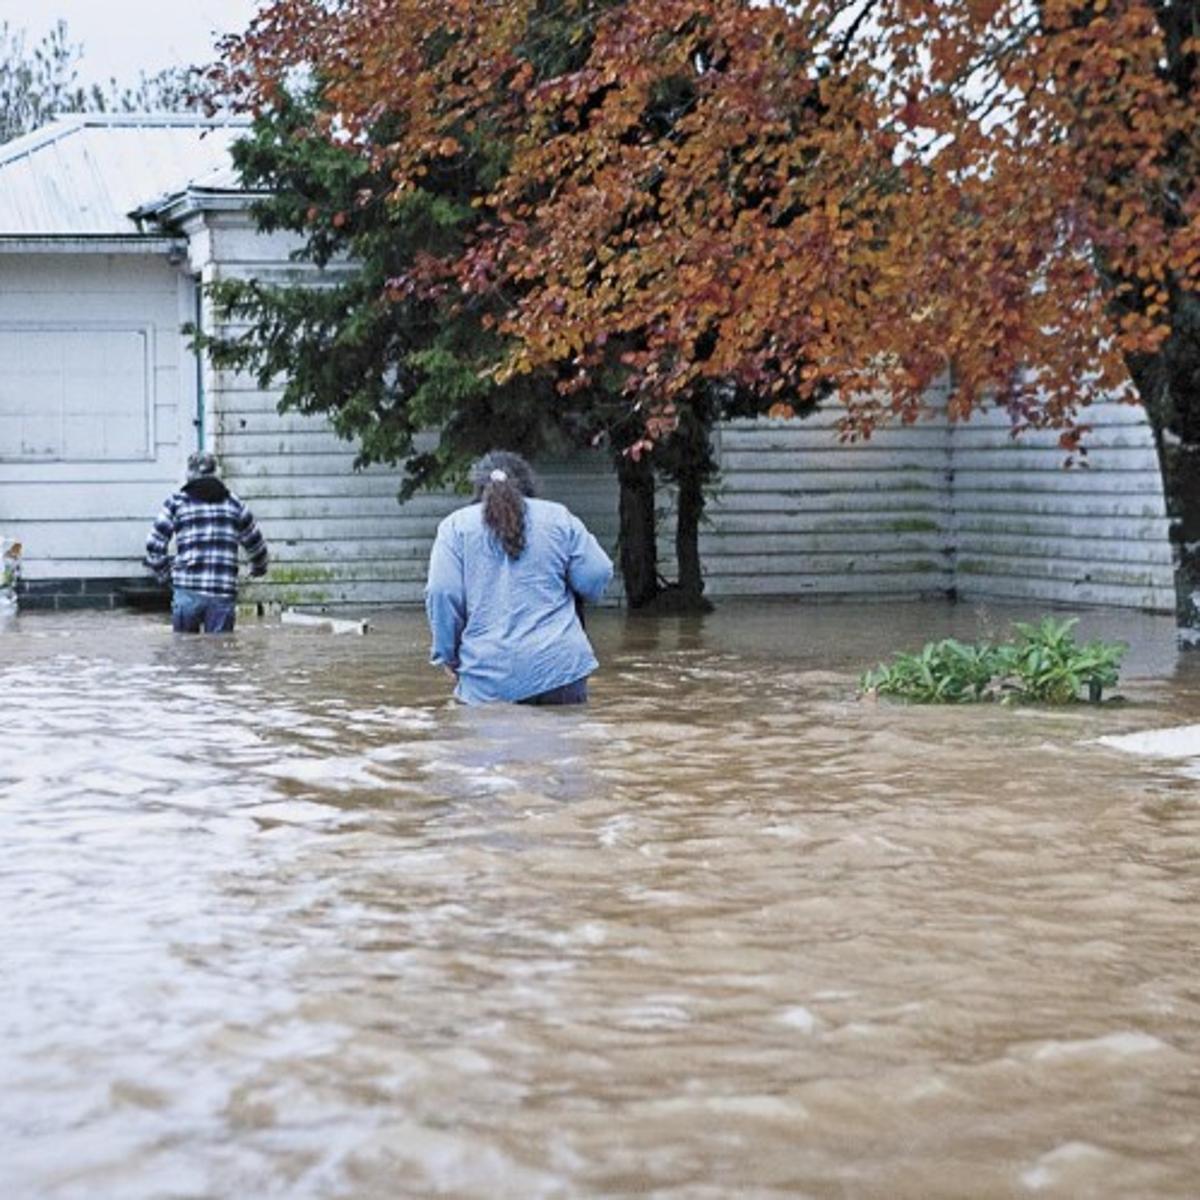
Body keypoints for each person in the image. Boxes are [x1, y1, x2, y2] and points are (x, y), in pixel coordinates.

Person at [425, 450, 613, 705]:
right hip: (561, 670)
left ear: (478, 488)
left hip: (486, 677)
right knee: (564, 742)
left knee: (489, 743)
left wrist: (447, 656)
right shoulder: (559, 518)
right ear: (528, 484)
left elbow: (442, 593)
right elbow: (597, 574)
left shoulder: (455, 527)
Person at [144, 452, 269, 633]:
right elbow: (257, 546)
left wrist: (166, 576)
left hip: (187, 590)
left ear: (189, 474)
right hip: (222, 592)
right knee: (220, 655)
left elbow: (154, 545)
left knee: (184, 654)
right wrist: (258, 568)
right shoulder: (234, 504)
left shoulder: (177, 502)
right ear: (216, 473)